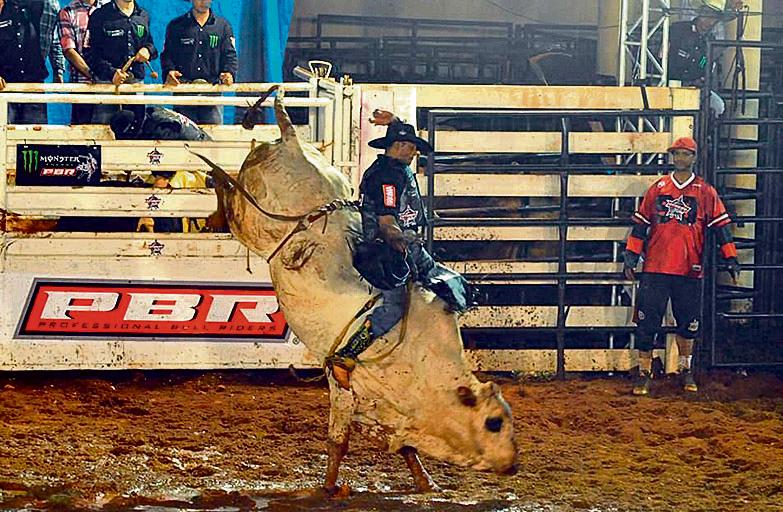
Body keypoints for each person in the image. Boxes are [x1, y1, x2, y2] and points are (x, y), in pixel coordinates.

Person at [327, 110, 437, 390]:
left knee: (440, 291)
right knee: (395, 306)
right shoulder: (388, 177)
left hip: (400, 247)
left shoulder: (392, 169)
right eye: (409, 147)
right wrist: (399, 241)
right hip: (390, 252)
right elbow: (387, 219)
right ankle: (346, 356)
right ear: (397, 147)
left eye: (414, 147)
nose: (413, 152)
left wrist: (395, 120)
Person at [623, 137, 741, 396]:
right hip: (655, 267)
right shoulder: (658, 188)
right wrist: (631, 256)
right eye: (677, 154)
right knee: (647, 322)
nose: (681, 158)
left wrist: (730, 256)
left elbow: (722, 227)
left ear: (693, 157)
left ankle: (686, 368)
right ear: (673, 157)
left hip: (689, 268)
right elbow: (640, 225)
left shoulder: (705, 191)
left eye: (685, 154)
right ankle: (644, 372)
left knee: (688, 323)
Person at [160, 0, 238, 124]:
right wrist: (169, 71)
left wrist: (229, 73)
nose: (203, 1)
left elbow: (230, 55)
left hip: (212, 91)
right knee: (184, 136)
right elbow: (167, 55)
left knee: (213, 137)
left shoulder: (223, 26)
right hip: (184, 91)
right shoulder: (176, 26)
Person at [84, 0, 156, 123]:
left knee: (136, 130)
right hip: (107, 85)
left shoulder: (143, 15)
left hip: (135, 84)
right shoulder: (99, 15)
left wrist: (147, 50)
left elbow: (150, 44)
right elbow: (91, 54)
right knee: (105, 132)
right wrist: (111, 73)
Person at [667, 1, 743, 117]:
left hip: (694, 87)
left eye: (715, 18)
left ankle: (705, 134)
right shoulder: (678, 30)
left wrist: (700, 75)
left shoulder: (710, 40)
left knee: (718, 106)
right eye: (707, 16)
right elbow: (665, 57)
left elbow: (704, 63)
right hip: (670, 85)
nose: (710, 22)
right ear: (700, 14)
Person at [0, 0, 65, 124]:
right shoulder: (3, 6)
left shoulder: (48, 5)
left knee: (35, 137)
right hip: (5, 86)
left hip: (34, 84)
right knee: (4, 137)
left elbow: (54, 38)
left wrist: (58, 69)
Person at [58, 0, 109, 124]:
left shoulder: (111, 8)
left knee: (109, 133)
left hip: (109, 84)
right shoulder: (68, 12)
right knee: (81, 132)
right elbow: (69, 50)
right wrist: (91, 74)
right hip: (82, 85)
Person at [108, 106, 211, 141]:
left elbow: (169, 155)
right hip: (201, 143)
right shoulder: (152, 112)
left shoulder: (160, 129)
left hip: (202, 156)